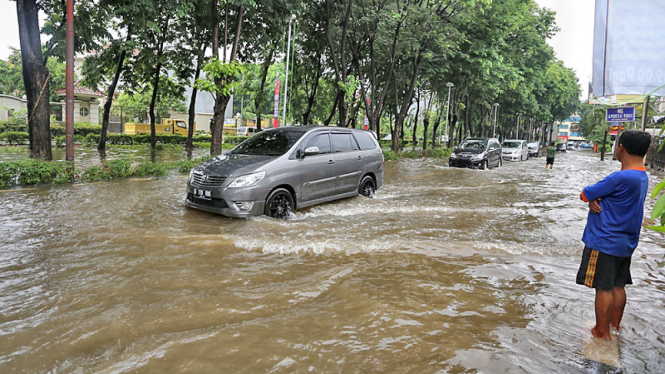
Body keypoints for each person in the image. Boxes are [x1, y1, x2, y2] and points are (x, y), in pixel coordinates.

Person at [576, 130, 651, 341]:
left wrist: (593, 197)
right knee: (618, 285)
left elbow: (585, 193)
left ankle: (601, 331)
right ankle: (613, 325)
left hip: (604, 241)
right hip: (625, 242)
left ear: (621, 148)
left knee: (603, 286)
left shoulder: (620, 177)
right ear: (646, 151)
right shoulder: (641, 176)